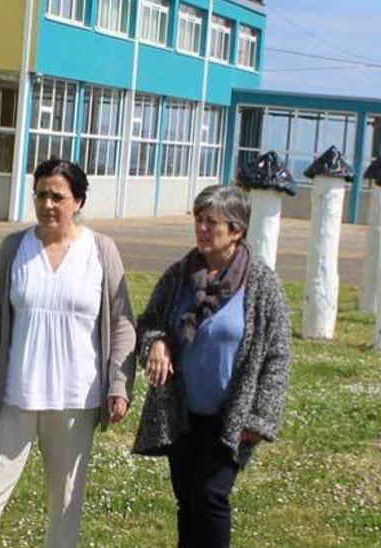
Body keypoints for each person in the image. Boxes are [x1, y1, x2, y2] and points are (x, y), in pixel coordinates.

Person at [0, 159, 136, 548]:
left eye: (58, 196)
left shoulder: (101, 250)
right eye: (40, 195)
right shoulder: (15, 248)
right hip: (16, 395)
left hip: (75, 400)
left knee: (65, 503)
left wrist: (119, 385)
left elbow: (122, 323)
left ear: (78, 201)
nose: (48, 204)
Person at [132, 184, 292, 548]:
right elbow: (149, 322)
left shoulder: (262, 285)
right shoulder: (179, 276)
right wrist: (156, 343)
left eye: (211, 222)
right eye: (198, 220)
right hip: (183, 413)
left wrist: (260, 417)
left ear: (236, 230)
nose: (202, 229)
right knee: (187, 498)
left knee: (210, 495)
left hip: (230, 416)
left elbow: (278, 355)